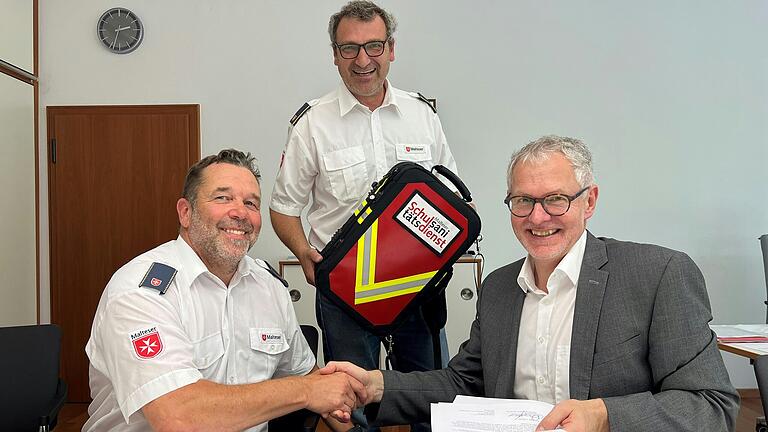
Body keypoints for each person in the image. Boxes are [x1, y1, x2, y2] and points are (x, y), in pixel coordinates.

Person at [322, 135, 740, 431]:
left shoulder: (658, 274)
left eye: (555, 199)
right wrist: (375, 385)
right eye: (523, 201)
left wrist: (605, 418)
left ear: (589, 201)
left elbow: (710, 405)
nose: (537, 217)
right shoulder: (500, 288)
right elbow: (464, 383)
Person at [83, 149, 365, 432]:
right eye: (223, 197)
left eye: (251, 203)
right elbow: (178, 417)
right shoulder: (140, 290)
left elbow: (306, 374)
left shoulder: (269, 287)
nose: (240, 213)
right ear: (186, 212)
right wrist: (307, 391)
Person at [270, 2, 456, 427]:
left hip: (417, 284)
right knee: (349, 401)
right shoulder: (312, 125)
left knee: (430, 394)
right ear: (334, 55)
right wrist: (302, 252)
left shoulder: (422, 116)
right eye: (349, 48)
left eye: (373, 45)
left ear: (391, 48)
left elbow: (449, 194)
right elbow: (283, 208)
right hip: (346, 287)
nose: (363, 60)